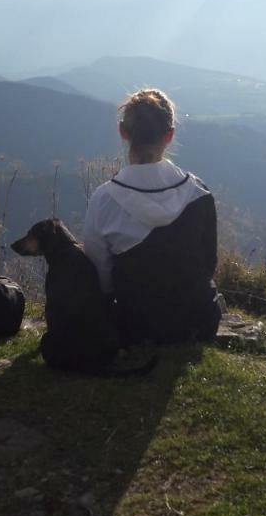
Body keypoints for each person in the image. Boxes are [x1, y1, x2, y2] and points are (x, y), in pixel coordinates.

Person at [83, 89, 224, 346]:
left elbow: (100, 275)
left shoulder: (104, 200)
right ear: (169, 136)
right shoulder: (198, 192)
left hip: (135, 324)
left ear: (123, 132)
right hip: (197, 321)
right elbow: (207, 264)